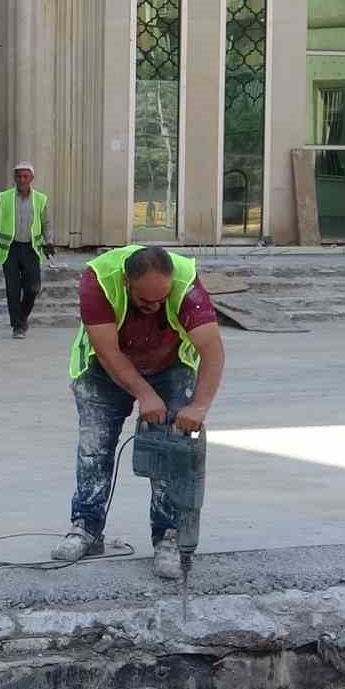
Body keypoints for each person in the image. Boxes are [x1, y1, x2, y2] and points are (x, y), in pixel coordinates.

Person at [52, 245, 226, 579]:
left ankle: (168, 536)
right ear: (127, 283)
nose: (156, 306)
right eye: (146, 301)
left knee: (171, 452)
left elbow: (213, 351)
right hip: (106, 368)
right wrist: (145, 394)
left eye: (162, 299)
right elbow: (107, 351)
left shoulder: (186, 284)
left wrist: (198, 406)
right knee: (94, 449)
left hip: (171, 364)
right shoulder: (99, 280)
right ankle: (85, 528)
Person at [0, 161, 54, 339]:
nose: (22, 180)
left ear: (32, 178)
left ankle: (22, 318)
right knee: (12, 290)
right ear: (14, 178)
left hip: (31, 249)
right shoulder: (4, 197)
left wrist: (49, 242)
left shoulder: (40, 199)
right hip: (10, 249)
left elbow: (46, 222)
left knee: (33, 288)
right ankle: (18, 326)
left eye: (25, 176)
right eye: (19, 176)